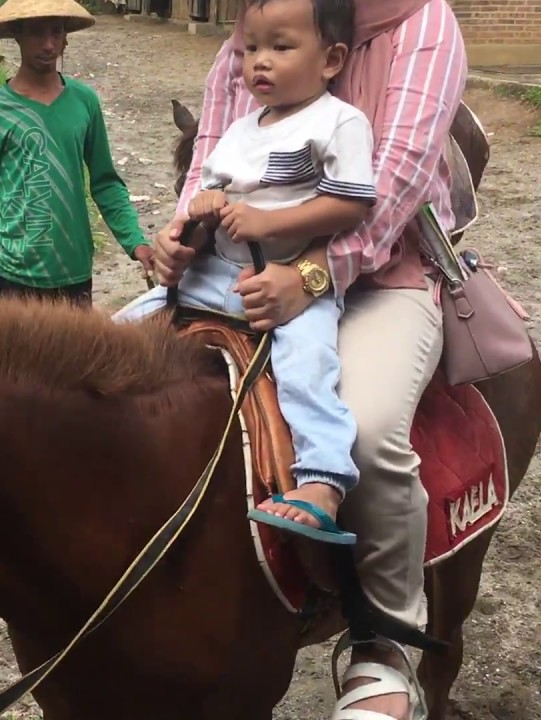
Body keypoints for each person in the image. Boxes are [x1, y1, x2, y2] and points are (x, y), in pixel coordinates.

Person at [121, 1, 468, 719]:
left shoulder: (422, 25)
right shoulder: (258, 33)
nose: (256, 57)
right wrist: (180, 234)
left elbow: (392, 188)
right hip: (239, 271)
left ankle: (385, 641)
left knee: (370, 428)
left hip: (376, 271)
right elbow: (213, 155)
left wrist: (306, 277)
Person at [121, 0, 372, 545]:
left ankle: (323, 479)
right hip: (218, 272)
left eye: (281, 48)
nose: (260, 62)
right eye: (251, 48)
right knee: (120, 327)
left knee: (308, 367)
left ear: (331, 59)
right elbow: (212, 192)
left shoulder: (340, 122)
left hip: (288, 276)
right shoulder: (240, 130)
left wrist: (269, 219)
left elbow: (351, 204)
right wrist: (197, 221)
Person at [0, 0, 154, 308]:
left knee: (75, 357)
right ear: (16, 35)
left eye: (56, 32)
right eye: (37, 33)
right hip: (11, 273)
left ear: (66, 37)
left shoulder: (84, 102)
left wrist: (136, 242)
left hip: (73, 272)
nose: (49, 44)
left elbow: (105, 182)